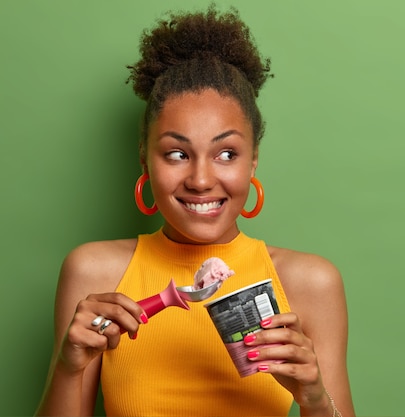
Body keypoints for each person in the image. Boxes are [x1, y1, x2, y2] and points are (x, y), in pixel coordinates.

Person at [35, 5, 354, 417]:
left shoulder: (311, 283)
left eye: (226, 153)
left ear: (253, 160)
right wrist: (68, 367)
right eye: (176, 153)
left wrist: (313, 397)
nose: (201, 180)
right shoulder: (94, 274)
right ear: (145, 159)